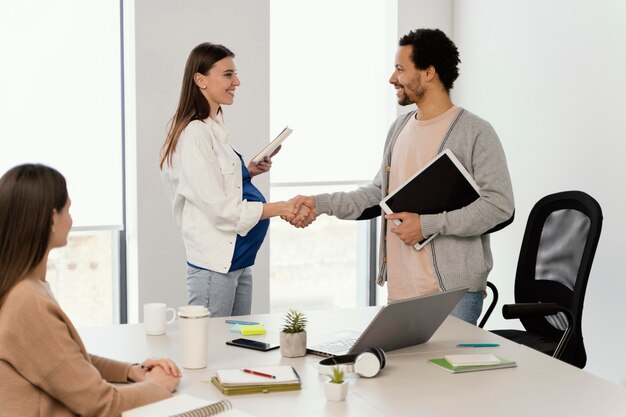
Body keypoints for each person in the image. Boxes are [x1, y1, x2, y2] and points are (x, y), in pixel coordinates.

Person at [289, 29, 514, 325]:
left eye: (400, 69)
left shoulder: (475, 131)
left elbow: (499, 206)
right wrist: (319, 203)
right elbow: (378, 196)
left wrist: (427, 224)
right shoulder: (399, 128)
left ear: (429, 73)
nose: (392, 78)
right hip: (402, 289)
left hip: (451, 294)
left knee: (444, 373)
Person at [0, 164, 181, 417]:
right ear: (52, 219)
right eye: (68, 209)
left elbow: (67, 361)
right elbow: (101, 404)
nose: (72, 219)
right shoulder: (27, 301)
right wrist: (158, 387)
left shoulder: (22, 287)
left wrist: (131, 371)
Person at [160, 42, 307, 318]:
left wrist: (247, 171)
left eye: (235, 74)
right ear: (200, 80)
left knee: (236, 348)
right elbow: (221, 210)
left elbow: (213, 183)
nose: (236, 82)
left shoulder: (213, 128)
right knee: (211, 353)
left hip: (238, 261)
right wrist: (280, 208)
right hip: (215, 268)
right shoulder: (194, 135)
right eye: (228, 74)